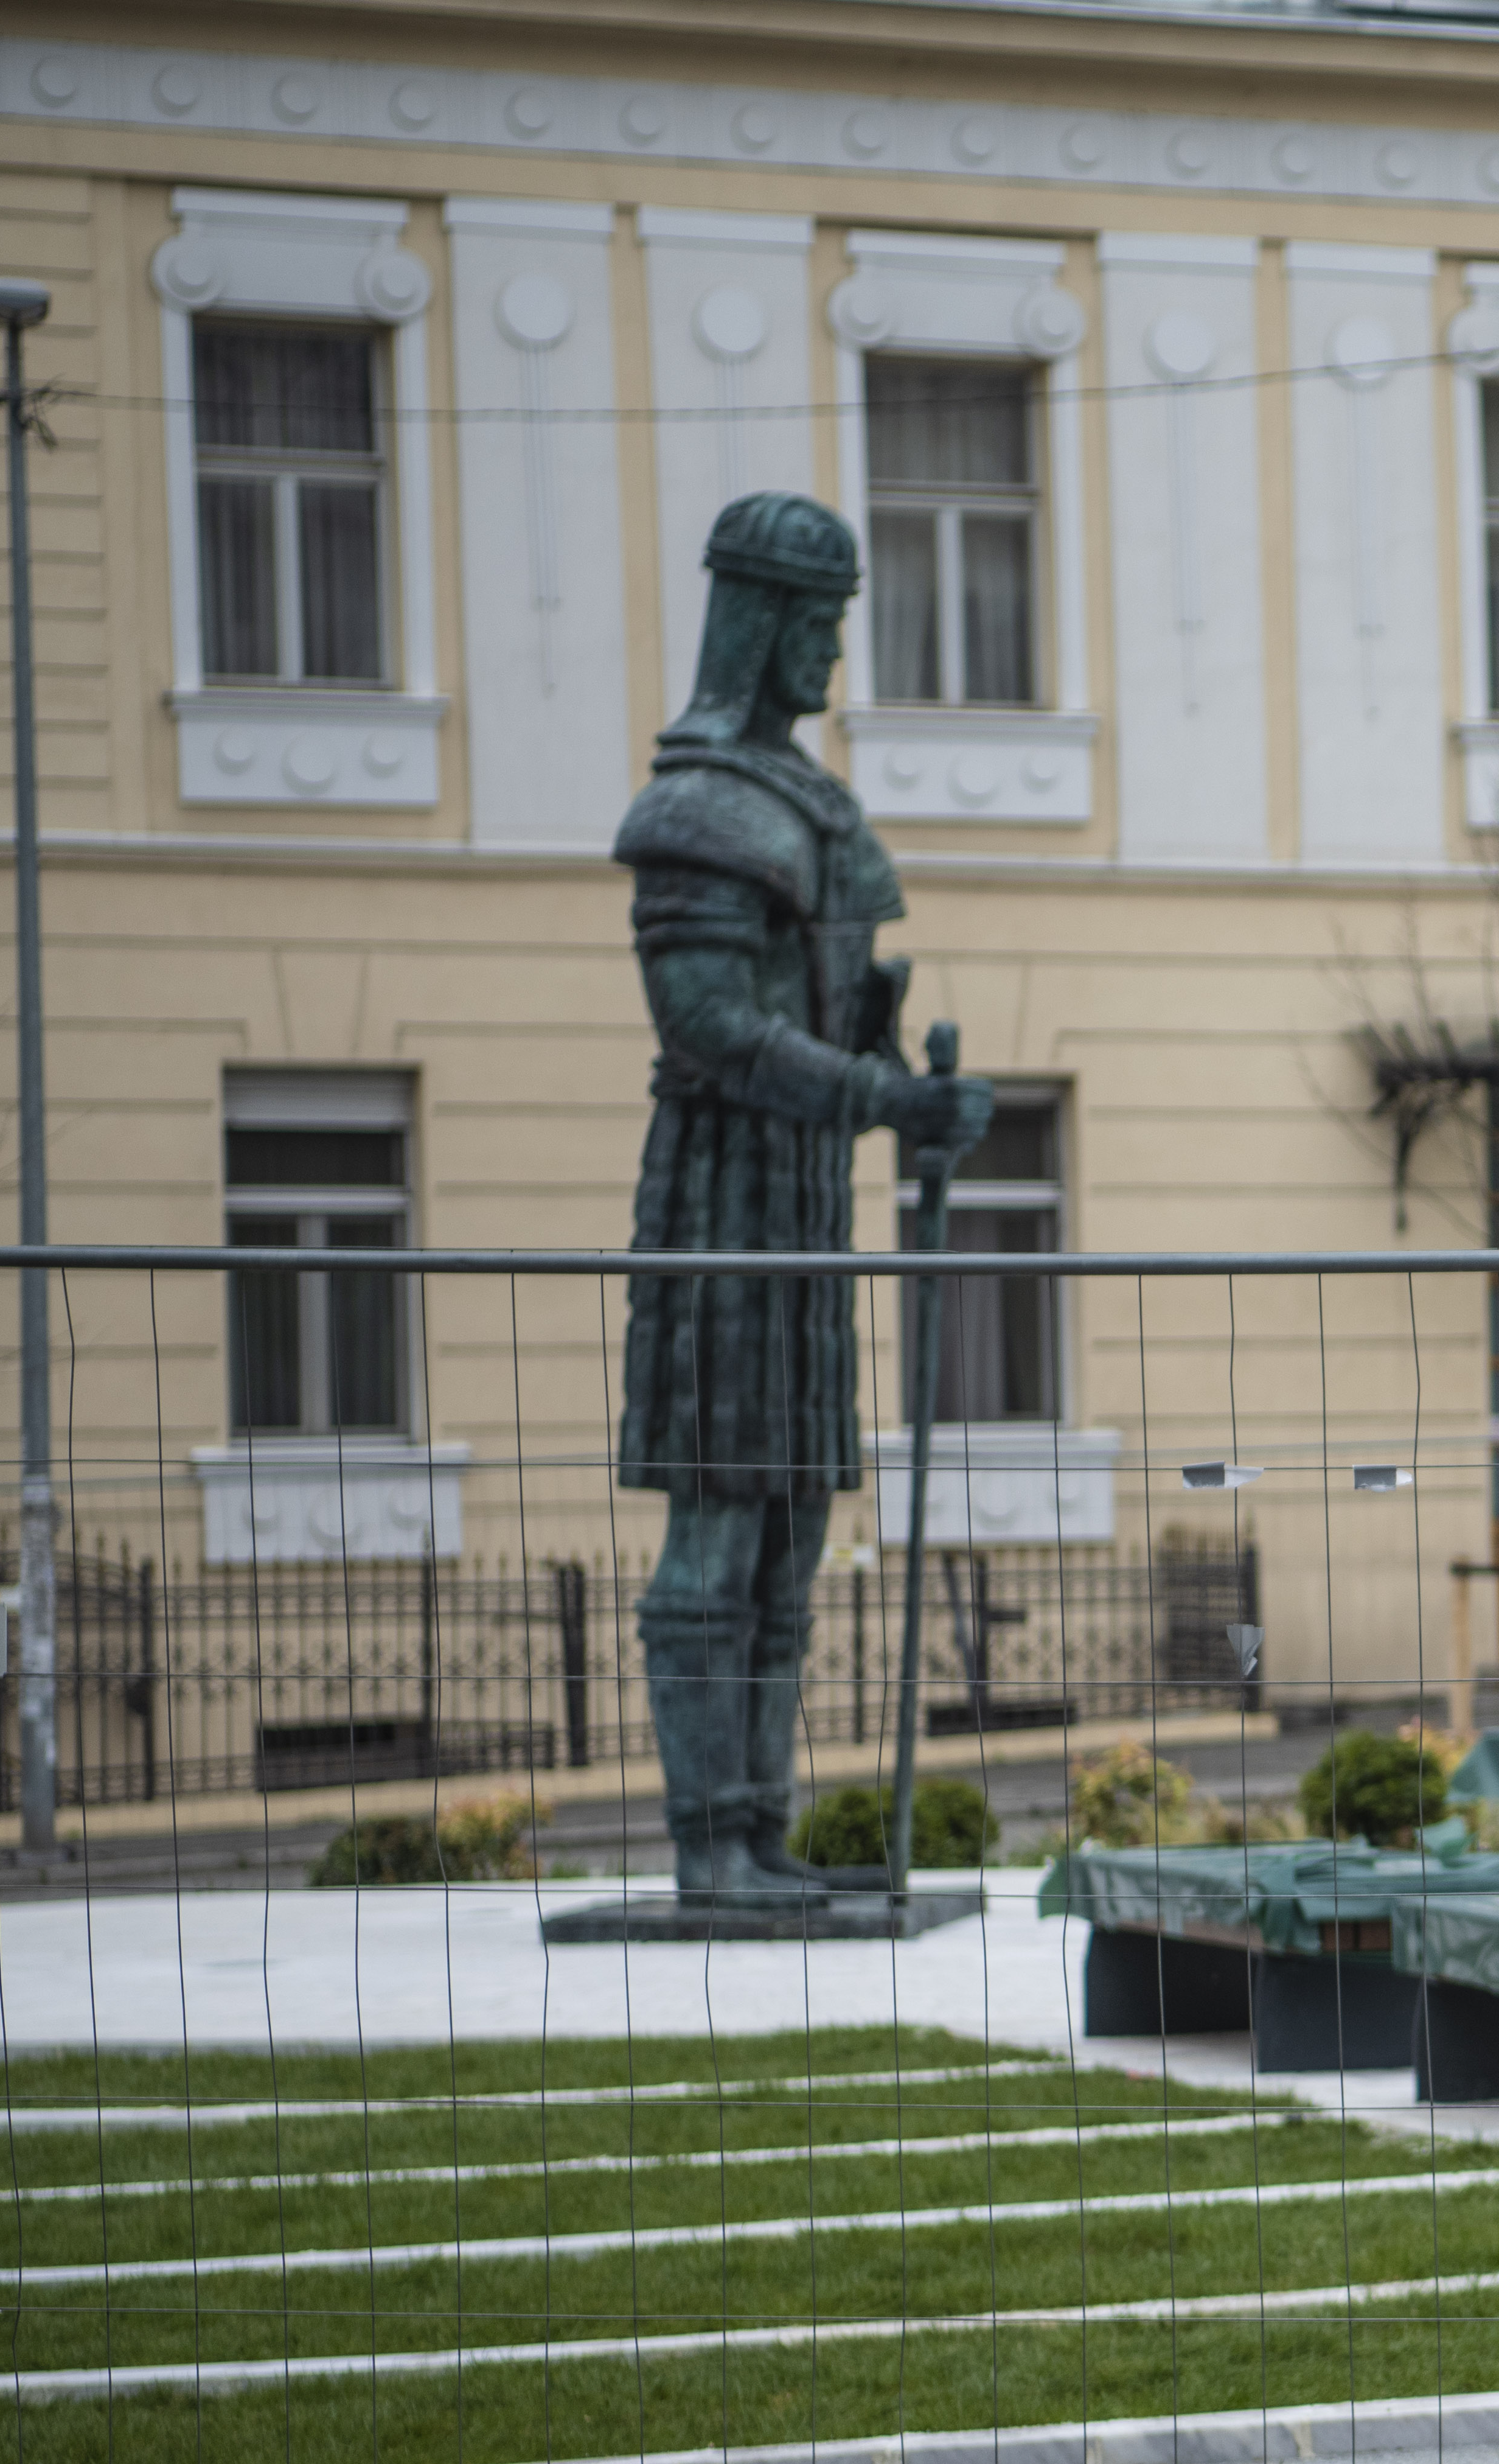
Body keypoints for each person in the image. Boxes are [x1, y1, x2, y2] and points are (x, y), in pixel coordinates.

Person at [613, 490, 990, 1905]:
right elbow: (715, 1026)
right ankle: (709, 1841)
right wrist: (877, 1096)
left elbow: (837, 1017)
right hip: (721, 1213)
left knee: (791, 1531)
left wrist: (913, 1089)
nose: (832, 653)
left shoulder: (818, 809)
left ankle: (760, 1831)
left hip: (805, 1215)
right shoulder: (701, 809)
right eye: (816, 623)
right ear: (758, 622)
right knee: (717, 1529)